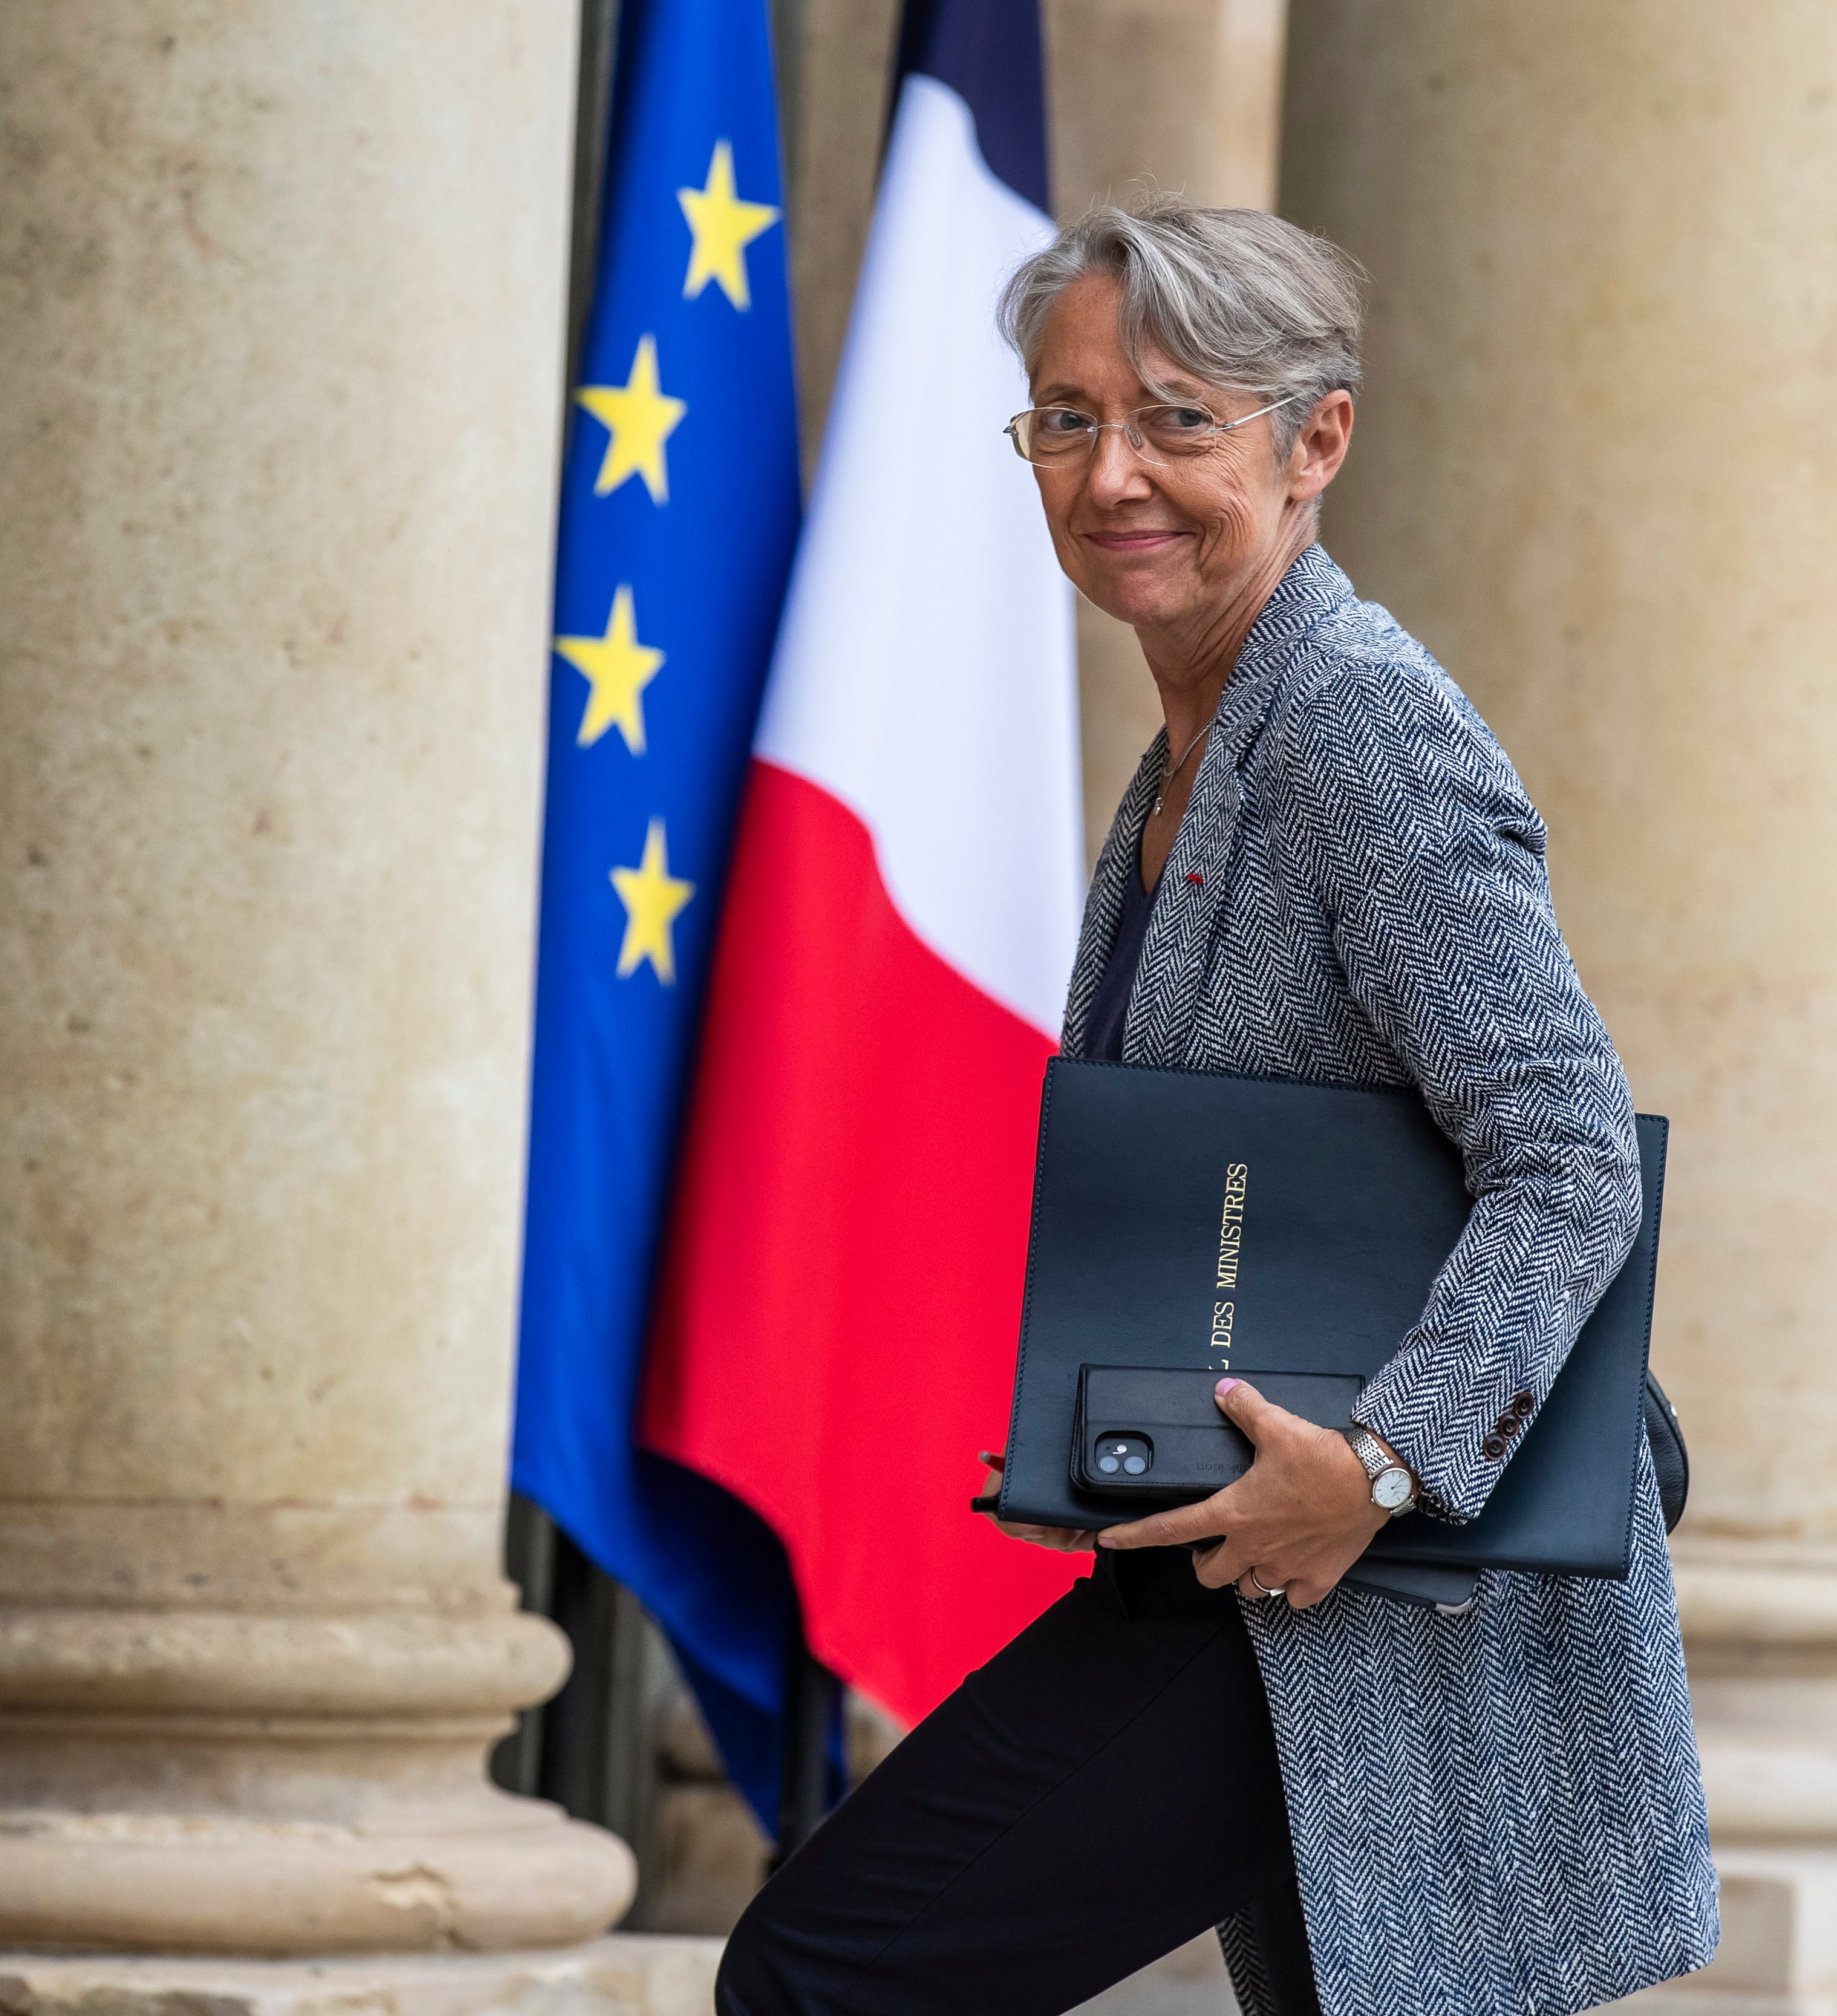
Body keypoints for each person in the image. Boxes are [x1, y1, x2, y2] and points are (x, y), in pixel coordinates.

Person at [716, 198, 1715, 2016]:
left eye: (1180, 418)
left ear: (1314, 437)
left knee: (827, 1975)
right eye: (1069, 416)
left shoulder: (1355, 730)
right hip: (1264, 1562)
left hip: (1382, 1569)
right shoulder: (1201, 738)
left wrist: (1388, 1467)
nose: (1114, 475)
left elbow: (1570, 1155)